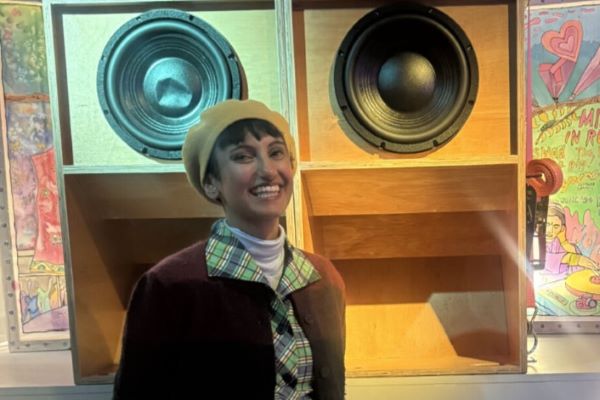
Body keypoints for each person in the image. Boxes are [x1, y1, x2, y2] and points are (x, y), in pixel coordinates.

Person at [113, 99, 346, 400]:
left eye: (276, 153)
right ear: (212, 183)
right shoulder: (168, 286)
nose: (268, 170)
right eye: (243, 156)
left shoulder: (324, 278)